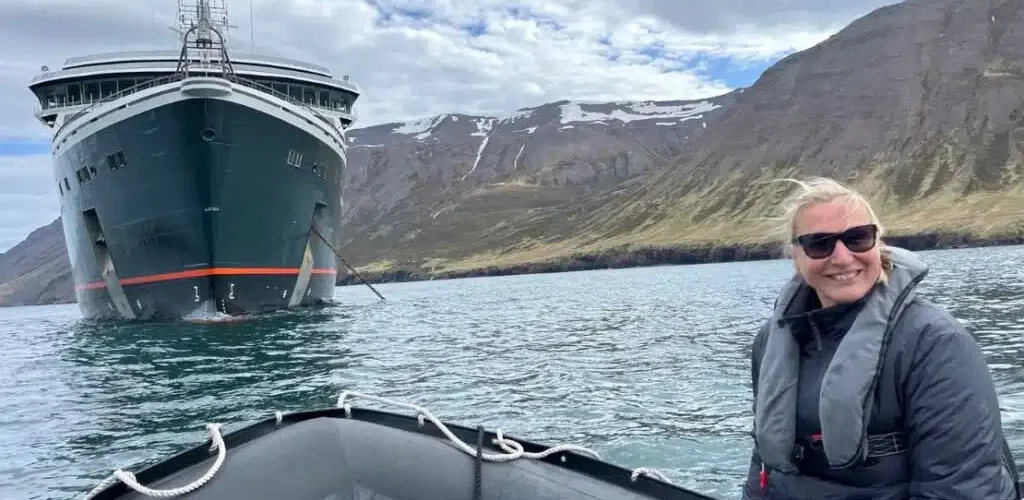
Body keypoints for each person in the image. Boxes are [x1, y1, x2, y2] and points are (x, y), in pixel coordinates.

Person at [741, 177, 1021, 499]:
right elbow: (763, 462)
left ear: (878, 243)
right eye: (820, 243)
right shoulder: (771, 341)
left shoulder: (935, 343)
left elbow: (960, 489)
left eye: (858, 238)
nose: (843, 258)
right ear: (796, 256)